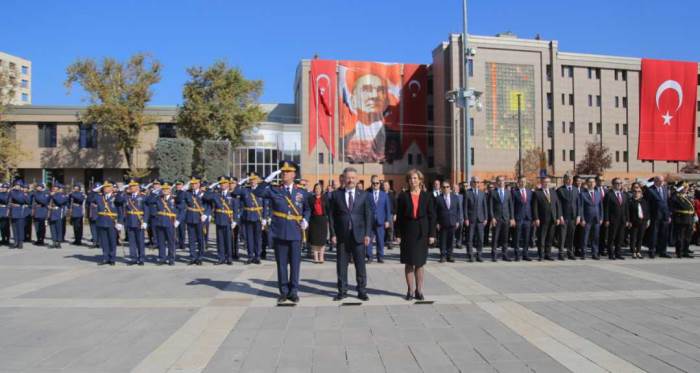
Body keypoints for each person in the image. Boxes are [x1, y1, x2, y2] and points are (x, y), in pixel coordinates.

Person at [254, 161, 310, 304]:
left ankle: (294, 291)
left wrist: (306, 220)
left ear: (294, 174)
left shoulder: (301, 192)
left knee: (295, 264)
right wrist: (268, 179)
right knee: (282, 264)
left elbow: (307, 209)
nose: (284, 174)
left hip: (295, 232)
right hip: (279, 232)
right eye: (283, 172)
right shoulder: (274, 190)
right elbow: (257, 192)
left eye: (288, 172)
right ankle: (284, 292)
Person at [328, 167, 372, 301]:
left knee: (360, 265)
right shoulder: (336, 195)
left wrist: (367, 234)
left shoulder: (364, 195)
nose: (350, 180)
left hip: (359, 235)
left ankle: (362, 291)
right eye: (348, 178)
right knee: (341, 265)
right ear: (343, 178)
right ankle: (342, 291)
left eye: (353, 178)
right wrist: (333, 234)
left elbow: (368, 216)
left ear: (356, 179)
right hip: (342, 236)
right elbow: (331, 216)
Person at [395, 169, 436, 301]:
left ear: (420, 180)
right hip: (408, 232)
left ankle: (419, 290)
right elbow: (399, 217)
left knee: (419, 263)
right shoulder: (402, 196)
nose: (413, 181)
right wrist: (398, 234)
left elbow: (432, 216)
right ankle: (410, 290)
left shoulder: (428, 196)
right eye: (410, 179)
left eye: (415, 178)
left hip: (422, 233)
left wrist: (432, 234)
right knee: (408, 262)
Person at [233, 172, 265, 264]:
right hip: (247, 217)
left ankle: (257, 256)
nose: (252, 182)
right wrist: (240, 182)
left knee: (258, 238)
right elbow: (235, 192)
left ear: (257, 181)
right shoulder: (245, 190)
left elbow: (265, 203)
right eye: (251, 180)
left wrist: (264, 218)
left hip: (258, 216)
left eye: (254, 180)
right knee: (249, 238)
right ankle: (250, 256)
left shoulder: (261, 190)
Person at [117, 180, 149, 265]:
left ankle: (141, 258)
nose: (132, 188)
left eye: (134, 186)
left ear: (138, 187)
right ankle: (133, 258)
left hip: (139, 222)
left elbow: (146, 210)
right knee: (132, 242)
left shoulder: (143, 197)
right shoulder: (127, 197)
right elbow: (118, 201)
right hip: (129, 221)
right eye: (130, 187)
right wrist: (120, 191)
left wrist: (145, 221)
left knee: (140, 241)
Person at [532, 176, 562, 261]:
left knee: (550, 238)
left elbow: (557, 205)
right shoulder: (537, 193)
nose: (546, 183)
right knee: (542, 238)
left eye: (548, 182)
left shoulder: (553, 192)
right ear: (541, 183)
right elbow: (535, 207)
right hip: (542, 219)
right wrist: (536, 218)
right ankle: (541, 255)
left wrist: (558, 217)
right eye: (545, 182)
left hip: (553, 219)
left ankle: (547, 254)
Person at [211, 176, 237, 265]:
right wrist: (212, 186)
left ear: (228, 184)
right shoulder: (216, 194)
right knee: (220, 240)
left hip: (228, 220)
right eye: (221, 184)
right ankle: (221, 258)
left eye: (224, 183)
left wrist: (235, 220)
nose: (222, 185)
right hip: (219, 219)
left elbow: (236, 209)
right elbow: (207, 195)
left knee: (228, 240)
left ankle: (229, 258)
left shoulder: (232, 195)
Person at [183, 177, 210, 265]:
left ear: (199, 184)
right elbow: (181, 200)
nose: (193, 185)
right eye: (192, 184)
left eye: (195, 183)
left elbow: (208, 205)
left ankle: (200, 257)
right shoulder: (188, 193)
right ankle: (192, 257)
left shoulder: (204, 193)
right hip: (190, 218)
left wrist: (206, 214)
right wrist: (185, 187)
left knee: (200, 238)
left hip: (200, 218)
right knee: (191, 239)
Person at [488, 176, 515, 262]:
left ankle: (505, 254)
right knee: (495, 237)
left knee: (505, 237)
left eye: (502, 181)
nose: (501, 182)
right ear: (496, 182)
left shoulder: (508, 192)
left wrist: (512, 218)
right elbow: (490, 206)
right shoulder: (493, 192)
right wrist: (492, 217)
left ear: (505, 182)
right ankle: (494, 255)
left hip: (506, 218)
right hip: (497, 218)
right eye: (499, 181)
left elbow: (511, 206)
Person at [435, 180, 462, 262]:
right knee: (442, 240)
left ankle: (450, 255)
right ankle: (442, 255)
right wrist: (436, 223)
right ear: (441, 189)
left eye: (447, 187)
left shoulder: (455, 197)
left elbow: (458, 210)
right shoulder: (438, 198)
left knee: (451, 240)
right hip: (442, 223)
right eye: (444, 187)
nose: (446, 188)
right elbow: (435, 212)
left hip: (452, 222)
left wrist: (457, 221)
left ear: (450, 188)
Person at [95, 181, 122, 265]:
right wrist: (96, 189)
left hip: (112, 222)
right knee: (104, 241)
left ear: (111, 188)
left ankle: (112, 258)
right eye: (104, 187)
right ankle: (105, 258)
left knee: (112, 241)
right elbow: (90, 199)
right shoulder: (99, 197)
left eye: (107, 187)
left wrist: (120, 222)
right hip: (102, 221)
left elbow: (121, 210)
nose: (105, 189)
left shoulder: (116, 197)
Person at [645, 176, 672, 258]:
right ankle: (652, 251)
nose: (662, 182)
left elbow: (667, 202)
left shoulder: (664, 189)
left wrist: (669, 215)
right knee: (654, 234)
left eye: (662, 181)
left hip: (664, 215)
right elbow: (647, 205)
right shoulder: (650, 190)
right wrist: (648, 217)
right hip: (655, 215)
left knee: (664, 234)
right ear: (655, 181)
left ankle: (662, 251)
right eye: (660, 181)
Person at [154, 182, 180, 265]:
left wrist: (178, 220)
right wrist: (155, 191)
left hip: (170, 222)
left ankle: (171, 259)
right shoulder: (158, 198)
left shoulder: (175, 199)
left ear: (170, 190)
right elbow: (148, 201)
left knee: (171, 241)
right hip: (160, 222)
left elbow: (182, 209)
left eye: (167, 189)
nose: (165, 191)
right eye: (163, 189)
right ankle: (162, 258)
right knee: (161, 242)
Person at [603, 178, 629, 260]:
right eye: (617, 183)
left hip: (622, 220)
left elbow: (626, 208)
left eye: (620, 183)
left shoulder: (624, 195)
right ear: (613, 184)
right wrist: (606, 219)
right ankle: (611, 254)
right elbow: (606, 208)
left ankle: (618, 253)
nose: (619, 185)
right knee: (612, 237)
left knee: (620, 237)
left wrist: (627, 220)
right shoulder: (609, 194)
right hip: (613, 219)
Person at [367, 175, 391, 263]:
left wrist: (387, 220)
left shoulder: (384, 195)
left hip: (381, 221)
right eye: (373, 183)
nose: (375, 185)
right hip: (370, 221)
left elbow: (387, 208)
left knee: (380, 240)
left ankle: (380, 257)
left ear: (379, 184)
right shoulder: (367, 194)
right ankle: (369, 257)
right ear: (371, 183)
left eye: (377, 183)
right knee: (369, 240)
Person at [464, 176, 488, 262]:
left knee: (481, 238)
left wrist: (486, 218)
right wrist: (466, 218)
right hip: (471, 219)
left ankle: (479, 254)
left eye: (478, 182)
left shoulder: (482, 193)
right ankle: (470, 255)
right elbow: (465, 207)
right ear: (471, 183)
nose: (476, 183)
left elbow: (485, 206)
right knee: (470, 238)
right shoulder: (467, 193)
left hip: (480, 219)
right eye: (475, 182)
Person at [557, 174, 580, 260]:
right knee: (562, 236)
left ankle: (570, 252)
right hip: (564, 217)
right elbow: (558, 204)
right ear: (564, 180)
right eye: (567, 179)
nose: (569, 180)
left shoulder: (575, 190)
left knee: (571, 235)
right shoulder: (560, 190)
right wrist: (560, 216)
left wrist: (578, 216)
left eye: (570, 179)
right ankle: (561, 253)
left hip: (573, 217)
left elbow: (578, 204)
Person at [580, 177, 603, 260]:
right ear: (586, 183)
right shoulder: (583, 194)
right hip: (586, 219)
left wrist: (601, 217)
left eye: (593, 182)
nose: (592, 183)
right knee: (585, 237)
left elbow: (601, 207)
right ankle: (583, 253)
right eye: (590, 182)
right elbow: (581, 207)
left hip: (597, 219)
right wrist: (582, 219)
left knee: (596, 237)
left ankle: (595, 253)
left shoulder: (598, 193)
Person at [671, 182, 695, 258]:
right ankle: (679, 252)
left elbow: (691, 208)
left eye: (686, 188)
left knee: (688, 237)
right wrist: (678, 189)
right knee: (680, 236)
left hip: (689, 218)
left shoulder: (687, 197)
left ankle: (685, 251)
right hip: (681, 218)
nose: (686, 189)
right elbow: (673, 198)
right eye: (684, 187)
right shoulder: (676, 196)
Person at [512, 176, 533, 261]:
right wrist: (512, 218)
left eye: (524, 181)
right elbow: (512, 206)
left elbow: (532, 205)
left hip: (528, 218)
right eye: (521, 181)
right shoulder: (514, 192)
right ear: (518, 182)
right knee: (517, 237)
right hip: (518, 218)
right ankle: (517, 254)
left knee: (527, 237)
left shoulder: (530, 192)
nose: (523, 183)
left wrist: (533, 217)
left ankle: (525, 254)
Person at [308, 183, 329, 264]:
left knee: (322, 239)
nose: (317, 190)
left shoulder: (325, 198)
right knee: (314, 239)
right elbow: (308, 209)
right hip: (313, 220)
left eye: (319, 188)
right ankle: (315, 257)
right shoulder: (311, 199)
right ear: (314, 189)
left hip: (322, 220)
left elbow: (328, 209)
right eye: (316, 188)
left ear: (321, 189)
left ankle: (321, 256)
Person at [628, 182, 649, 259]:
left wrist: (647, 220)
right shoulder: (630, 201)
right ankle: (633, 251)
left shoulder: (643, 201)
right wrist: (629, 221)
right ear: (633, 192)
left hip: (642, 222)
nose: (637, 193)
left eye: (639, 192)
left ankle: (638, 251)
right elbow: (628, 212)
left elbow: (646, 212)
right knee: (633, 237)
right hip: (633, 222)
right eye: (635, 191)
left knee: (640, 238)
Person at [8, 180, 29, 249]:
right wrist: (12, 204)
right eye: (16, 185)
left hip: (20, 212)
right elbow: (8, 201)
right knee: (14, 228)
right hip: (13, 212)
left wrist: (11, 193)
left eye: (18, 185)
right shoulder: (11, 192)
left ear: (21, 187)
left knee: (20, 228)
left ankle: (20, 242)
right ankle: (15, 242)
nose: (17, 186)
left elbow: (22, 200)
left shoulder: (23, 193)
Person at [48, 183, 68, 249]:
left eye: (56, 188)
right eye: (54, 188)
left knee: (58, 228)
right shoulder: (50, 195)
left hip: (58, 213)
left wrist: (53, 196)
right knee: (52, 228)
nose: (54, 189)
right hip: (51, 213)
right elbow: (44, 201)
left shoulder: (61, 195)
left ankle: (58, 242)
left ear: (59, 189)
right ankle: (54, 241)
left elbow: (60, 202)